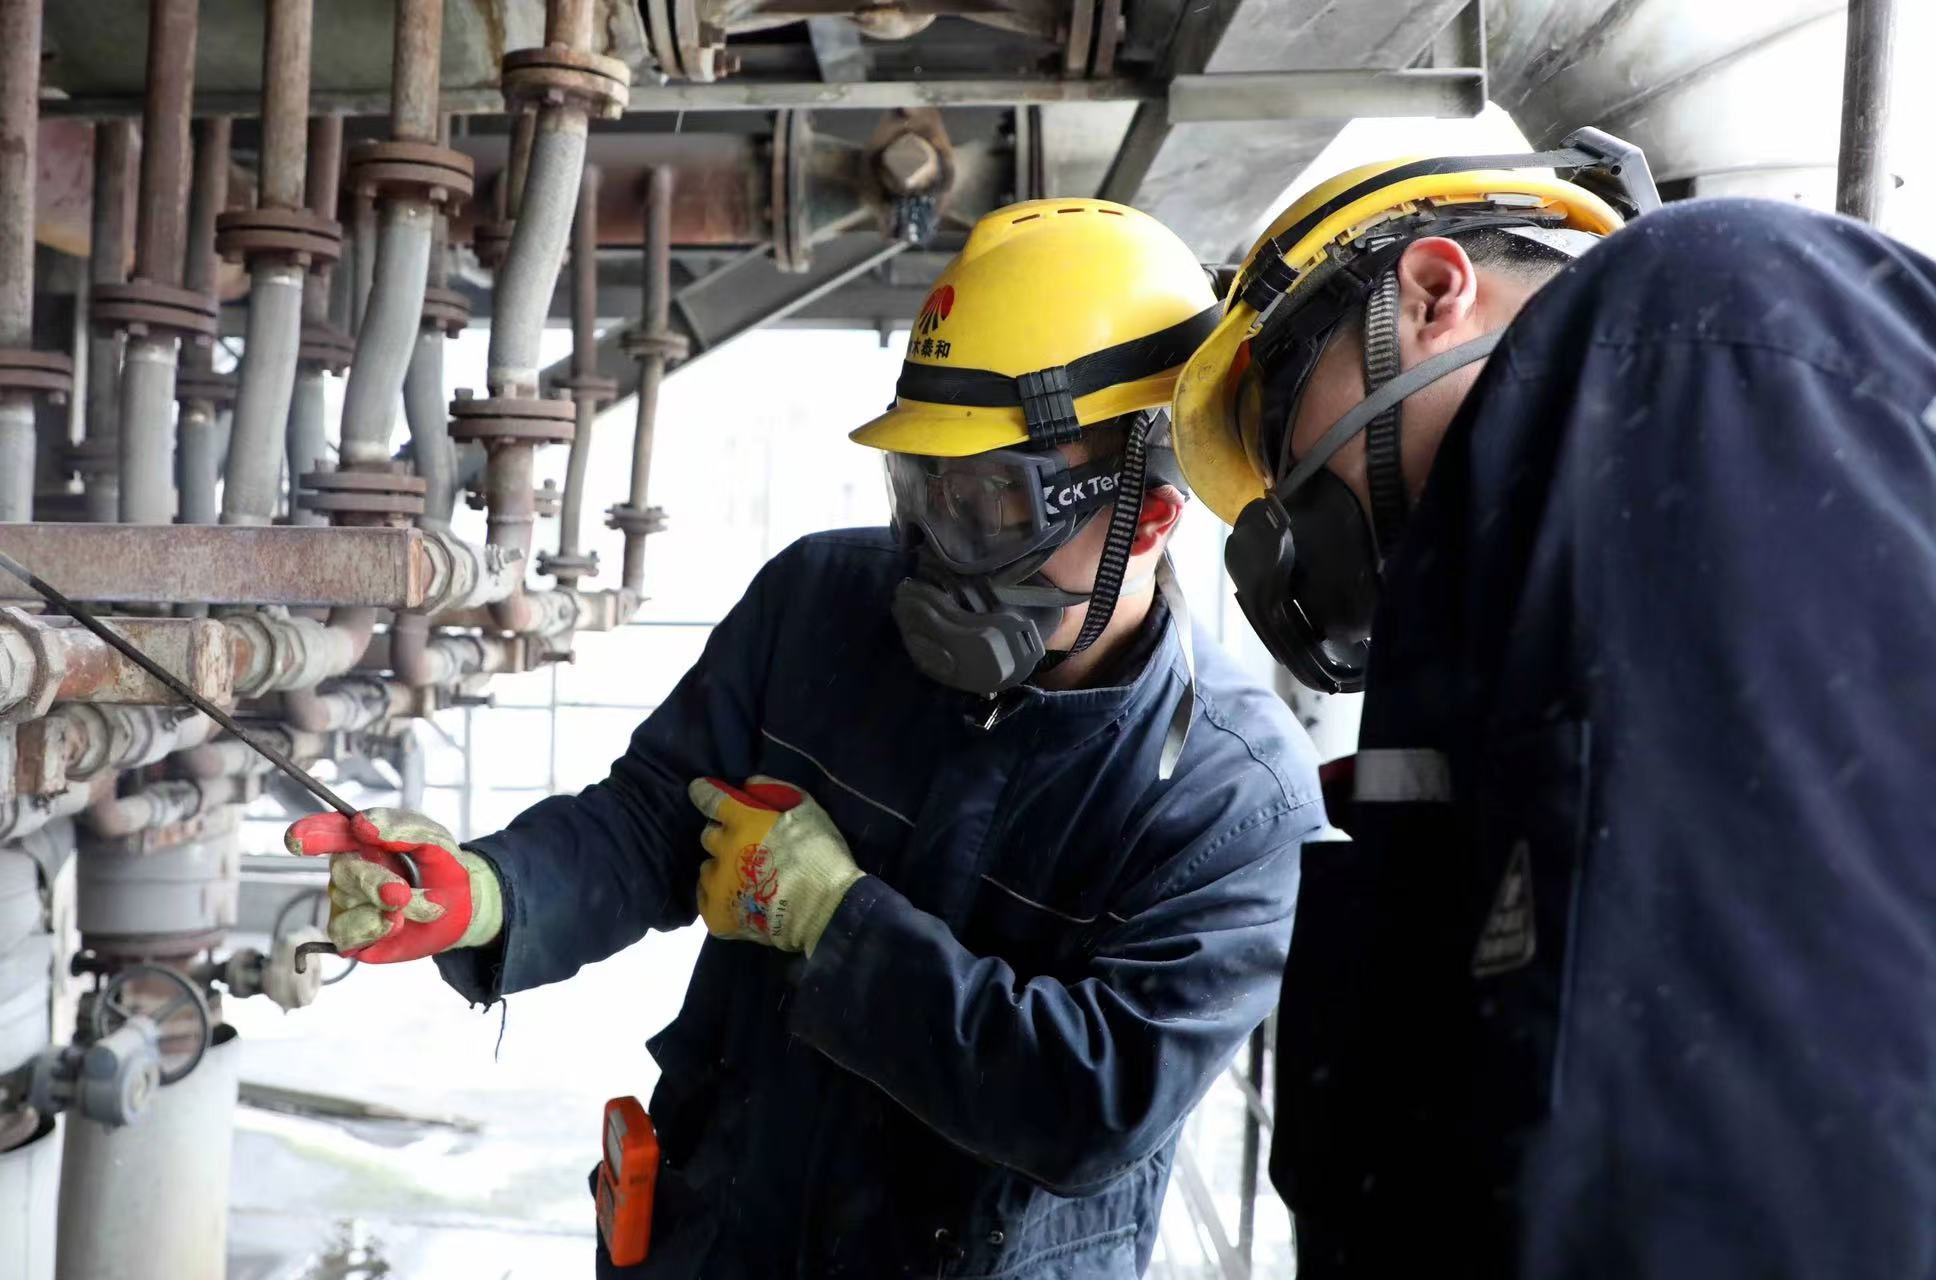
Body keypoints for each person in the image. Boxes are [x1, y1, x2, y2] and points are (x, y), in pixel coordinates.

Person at [287, 198, 1325, 1279]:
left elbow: (1095, 1103)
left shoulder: (1232, 799)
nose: (936, 548)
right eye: (922, 489)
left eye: (991, 505)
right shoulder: (822, 604)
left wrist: (838, 920)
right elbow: (655, 820)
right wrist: (491, 891)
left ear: (1147, 518)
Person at [1168, 127, 1936, 1277]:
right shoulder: (1505, 569)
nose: (1291, 504)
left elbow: (1741, 1103)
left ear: (1432, 294)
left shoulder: (1681, 336)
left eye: (1287, 433)